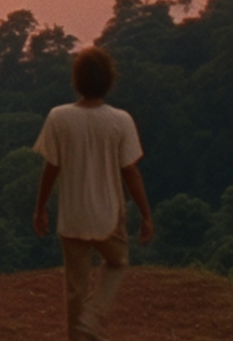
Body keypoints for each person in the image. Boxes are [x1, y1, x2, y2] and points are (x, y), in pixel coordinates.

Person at [32, 46, 153, 341]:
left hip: (71, 216)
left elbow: (51, 168)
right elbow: (131, 172)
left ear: (77, 81)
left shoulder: (58, 117)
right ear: (109, 81)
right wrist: (146, 215)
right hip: (108, 216)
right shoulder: (120, 120)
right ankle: (94, 314)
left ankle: (81, 333)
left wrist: (40, 208)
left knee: (75, 287)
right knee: (117, 262)